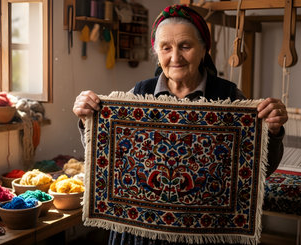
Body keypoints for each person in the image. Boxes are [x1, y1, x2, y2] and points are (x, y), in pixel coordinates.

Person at [73, 4, 288, 245]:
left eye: (185, 46)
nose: (175, 57)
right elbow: (113, 158)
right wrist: (88, 120)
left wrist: (274, 132)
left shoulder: (229, 98)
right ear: (156, 50)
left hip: (206, 236)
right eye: (166, 48)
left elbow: (260, 170)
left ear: (205, 49)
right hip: (140, 235)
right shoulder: (138, 94)